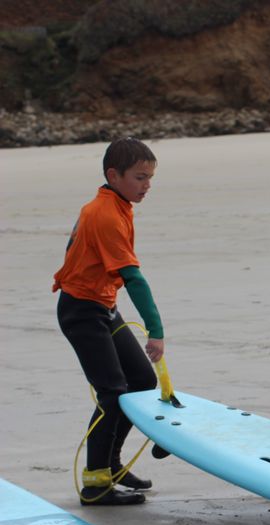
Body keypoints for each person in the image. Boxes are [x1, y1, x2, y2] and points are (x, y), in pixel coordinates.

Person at [53, 137, 164, 505]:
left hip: (102, 306)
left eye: (150, 178)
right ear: (113, 175)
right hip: (82, 311)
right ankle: (96, 483)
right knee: (113, 393)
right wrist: (156, 330)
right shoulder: (104, 215)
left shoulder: (117, 204)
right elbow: (133, 278)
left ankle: (112, 465)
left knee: (141, 381)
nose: (147, 185)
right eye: (140, 178)